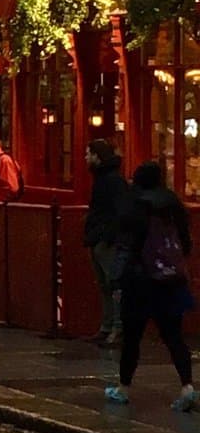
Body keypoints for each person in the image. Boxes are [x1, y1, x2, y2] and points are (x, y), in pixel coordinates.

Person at [105, 161, 197, 411]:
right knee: (174, 336)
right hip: (171, 280)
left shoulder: (135, 205)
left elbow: (126, 247)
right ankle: (187, 386)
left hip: (140, 282)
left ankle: (123, 388)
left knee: (132, 338)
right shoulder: (173, 205)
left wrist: (116, 279)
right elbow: (185, 243)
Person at [83, 138, 128, 346]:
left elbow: (118, 212)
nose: (85, 157)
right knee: (106, 285)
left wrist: (106, 236)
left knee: (113, 284)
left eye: (88, 153)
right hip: (100, 238)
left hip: (105, 240)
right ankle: (108, 326)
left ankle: (116, 327)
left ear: (97, 157)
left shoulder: (110, 180)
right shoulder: (107, 178)